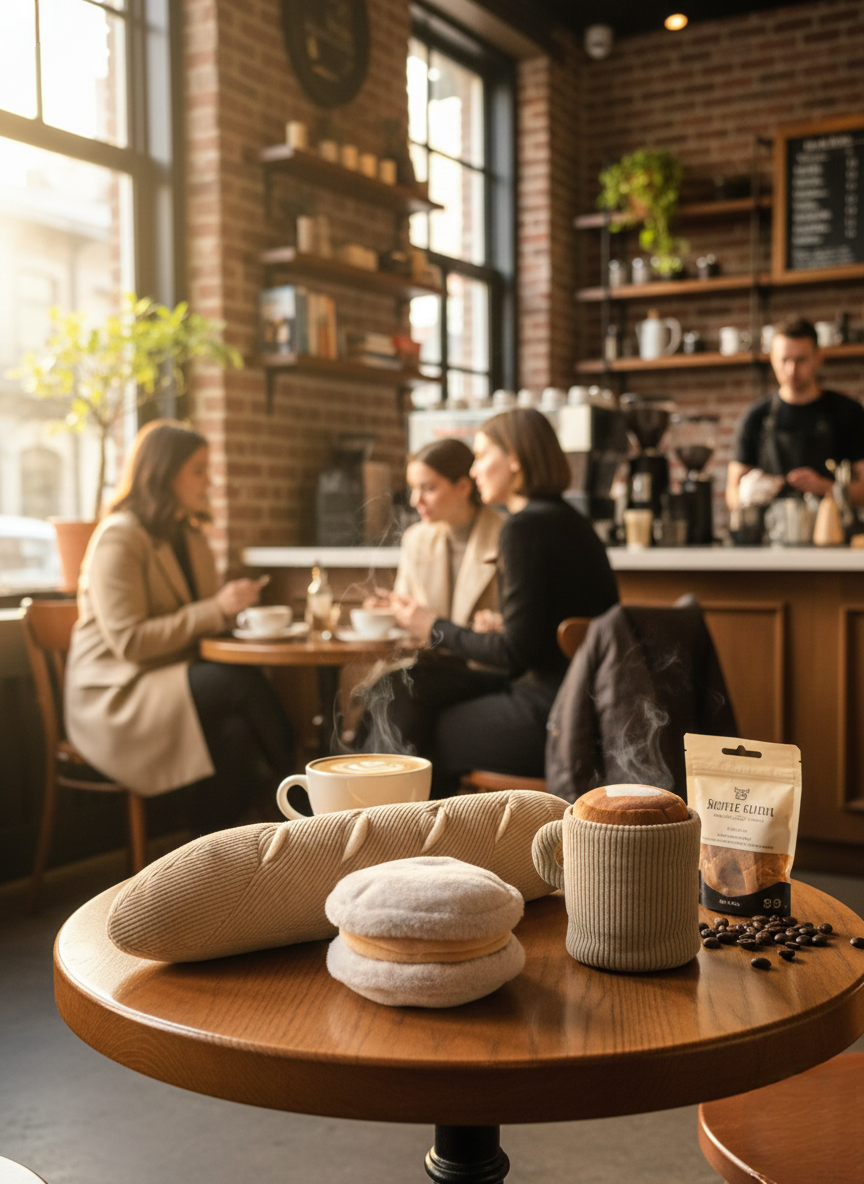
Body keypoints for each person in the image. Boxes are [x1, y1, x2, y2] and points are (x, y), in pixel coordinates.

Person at [366, 408, 619, 797]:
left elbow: (514, 654)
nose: (474, 470)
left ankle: (402, 838)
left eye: (482, 456)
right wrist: (505, 626)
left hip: (553, 717)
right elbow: (540, 636)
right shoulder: (569, 519)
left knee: (410, 724)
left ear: (514, 459)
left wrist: (434, 626)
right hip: (584, 707)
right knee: (404, 693)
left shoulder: (523, 527)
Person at [65, 419, 295, 830]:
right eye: (199, 470)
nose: (210, 481)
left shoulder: (191, 537)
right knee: (243, 684)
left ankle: (203, 858)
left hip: (169, 678)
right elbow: (130, 642)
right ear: (164, 471)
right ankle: (309, 806)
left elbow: (203, 619)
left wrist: (230, 610)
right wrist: (215, 608)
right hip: (120, 691)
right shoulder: (119, 538)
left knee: (237, 733)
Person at [726, 318, 864, 510]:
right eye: (784, 360)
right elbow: (732, 493)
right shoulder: (755, 417)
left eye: (800, 360)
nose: (791, 370)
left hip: (834, 535)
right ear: (772, 359)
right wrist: (746, 495)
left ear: (818, 358)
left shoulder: (850, 412)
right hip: (770, 535)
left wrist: (827, 487)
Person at [390, 438, 503, 627]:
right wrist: (389, 611)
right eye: (413, 489)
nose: (415, 500)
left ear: (463, 487)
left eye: (427, 488)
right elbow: (404, 610)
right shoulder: (415, 539)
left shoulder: (505, 535)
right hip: (430, 655)